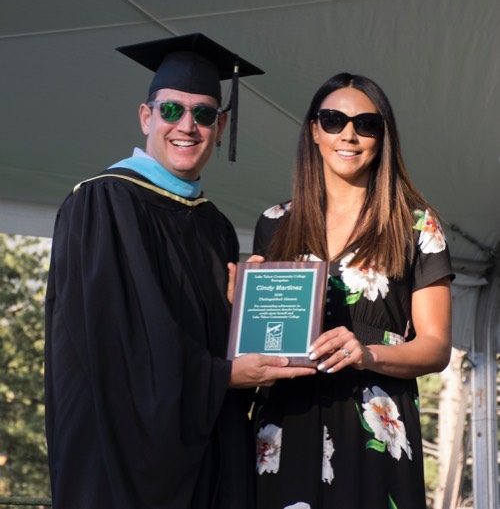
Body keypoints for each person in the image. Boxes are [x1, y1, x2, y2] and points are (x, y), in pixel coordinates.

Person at [44, 33, 315, 509]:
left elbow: (206, 341)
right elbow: (116, 347)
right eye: (171, 110)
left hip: (207, 450)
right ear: (146, 116)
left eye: (204, 114)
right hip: (119, 460)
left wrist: (242, 319)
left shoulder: (214, 226)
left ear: (221, 124)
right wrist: (223, 376)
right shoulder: (103, 202)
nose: (186, 125)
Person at [251, 73, 453, 509]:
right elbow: (263, 335)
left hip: (374, 427)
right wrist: (238, 308)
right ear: (314, 131)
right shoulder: (274, 223)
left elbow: (436, 348)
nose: (349, 134)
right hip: (288, 421)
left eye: (366, 124)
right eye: (333, 120)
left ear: (383, 137)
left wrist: (366, 354)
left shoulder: (417, 225)